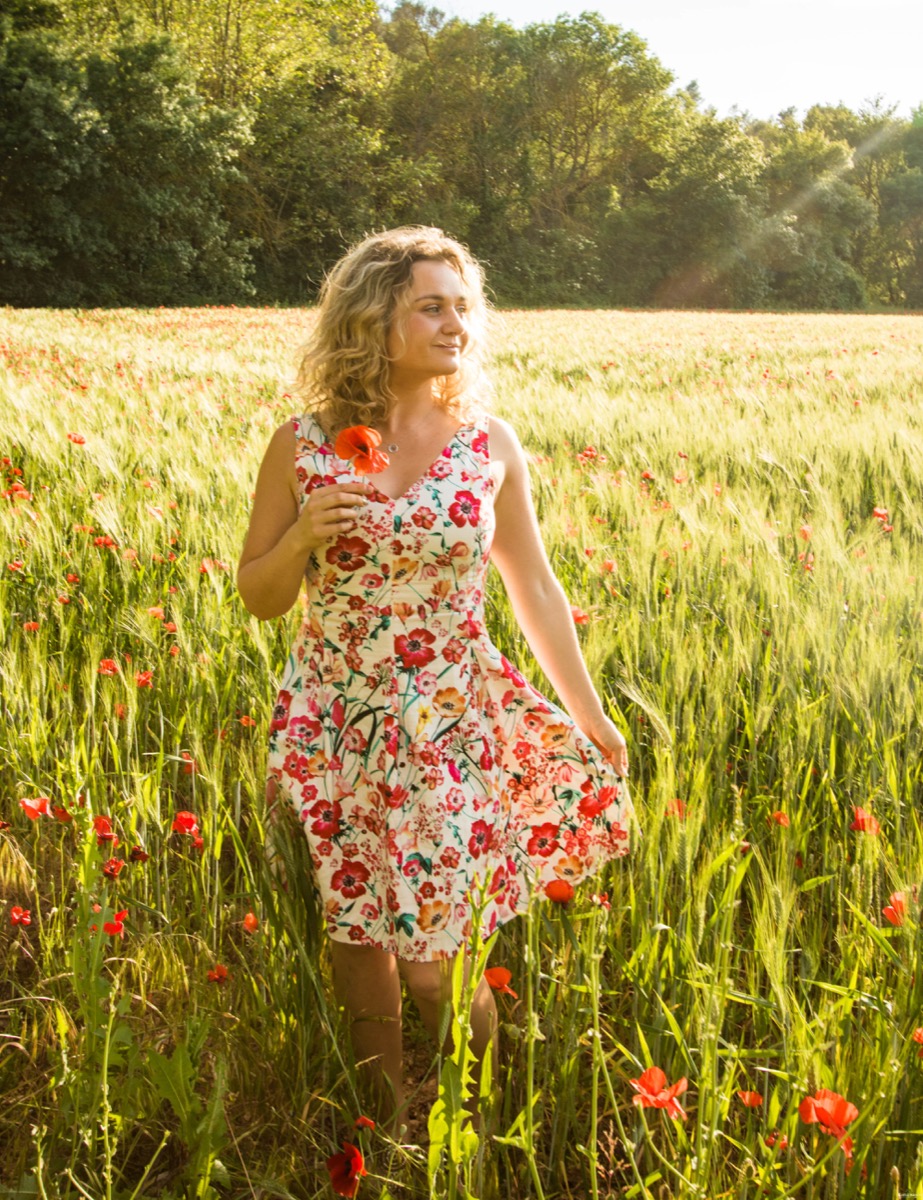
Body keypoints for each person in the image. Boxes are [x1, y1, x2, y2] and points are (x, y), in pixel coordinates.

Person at [237, 225, 632, 1129]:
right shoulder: (301, 444)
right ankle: (384, 1123)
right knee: (356, 938)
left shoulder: (485, 442)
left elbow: (531, 584)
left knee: (434, 956)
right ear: (374, 318)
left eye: (463, 306)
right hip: (332, 723)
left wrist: (593, 713)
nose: (456, 323)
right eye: (431, 305)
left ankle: (490, 1116)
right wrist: (301, 537)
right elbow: (259, 596)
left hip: (448, 726)